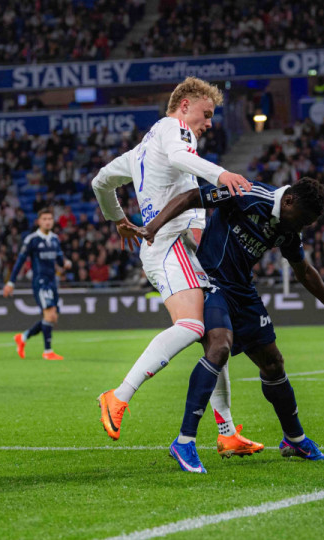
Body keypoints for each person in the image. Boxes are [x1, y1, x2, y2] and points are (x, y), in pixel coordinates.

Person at [139, 177, 324, 473]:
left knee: (273, 363)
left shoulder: (288, 230)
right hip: (209, 281)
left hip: (243, 291)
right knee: (219, 347)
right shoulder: (247, 194)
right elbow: (193, 196)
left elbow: (304, 271)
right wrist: (153, 227)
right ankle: (184, 441)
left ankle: (294, 439)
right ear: (290, 201)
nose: (302, 227)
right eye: (303, 220)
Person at [91, 76, 258, 457]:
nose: (209, 122)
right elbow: (181, 158)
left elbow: (100, 181)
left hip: (179, 247)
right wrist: (222, 174)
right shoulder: (175, 129)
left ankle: (228, 431)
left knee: (215, 337)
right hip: (168, 245)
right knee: (193, 325)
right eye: (206, 113)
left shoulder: (138, 151)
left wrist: (116, 217)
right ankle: (117, 396)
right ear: (185, 105)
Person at [3, 208, 72, 361]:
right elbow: (20, 261)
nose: (47, 221)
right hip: (40, 282)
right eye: (44, 219)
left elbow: (60, 260)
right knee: (50, 315)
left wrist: (66, 263)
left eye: (49, 219)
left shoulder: (54, 239)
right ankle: (47, 351)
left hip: (52, 282)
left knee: (52, 318)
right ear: (39, 221)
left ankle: (23, 337)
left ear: (53, 221)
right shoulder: (32, 239)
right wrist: (11, 282)